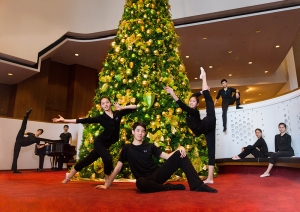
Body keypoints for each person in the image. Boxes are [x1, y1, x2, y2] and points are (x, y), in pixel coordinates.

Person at [95, 122, 217, 193]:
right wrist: (107, 185)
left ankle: (197, 185)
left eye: (142, 131)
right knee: (140, 183)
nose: (140, 133)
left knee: (180, 154)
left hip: (158, 175)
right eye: (138, 131)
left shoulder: (150, 146)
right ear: (133, 132)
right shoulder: (127, 148)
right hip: (144, 180)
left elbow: (168, 157)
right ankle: (168, 187)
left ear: (144, 133)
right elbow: (117, 168)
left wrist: (180, 149)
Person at [53, 97, 137, 183]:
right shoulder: (101, 118)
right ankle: (107, 179)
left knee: (88, 160)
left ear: (110, 103)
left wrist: (122, 108)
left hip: (107, 143)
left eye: (107, 102)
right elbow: (83, 120)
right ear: (101, 106)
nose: (105, 105)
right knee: (108, 159)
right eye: (103, 103)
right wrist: (64, 120)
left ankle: (69, 176)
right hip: (100, 142)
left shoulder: (118, 114)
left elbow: (135, 107)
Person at [164, 67, 216, 184]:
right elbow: (193, 96)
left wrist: (172, 93)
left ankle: (204, 76)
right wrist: (199, 93)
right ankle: (210, 178)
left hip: (209, 121)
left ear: (197, 104)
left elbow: (182, 105)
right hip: (206, 129)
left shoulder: (194, 111)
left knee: (208, 97)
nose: (191, 102)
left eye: (194, 101)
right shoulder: (191, 110)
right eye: (190, 101)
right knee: (211, 152)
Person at [11, 108, 48, 173]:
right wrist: (21, 132)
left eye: (40, 132)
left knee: (16, 155)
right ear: (37, 131)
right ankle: (27, 115)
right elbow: (24, 132)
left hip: (21, 143)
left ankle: (14, 169)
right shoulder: (31, 134)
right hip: (20, 138)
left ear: (40, 134)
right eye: (39, 131)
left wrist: (45, 145)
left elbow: (38, 147)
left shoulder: (37, 140)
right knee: (23, 127)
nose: (39, 132)